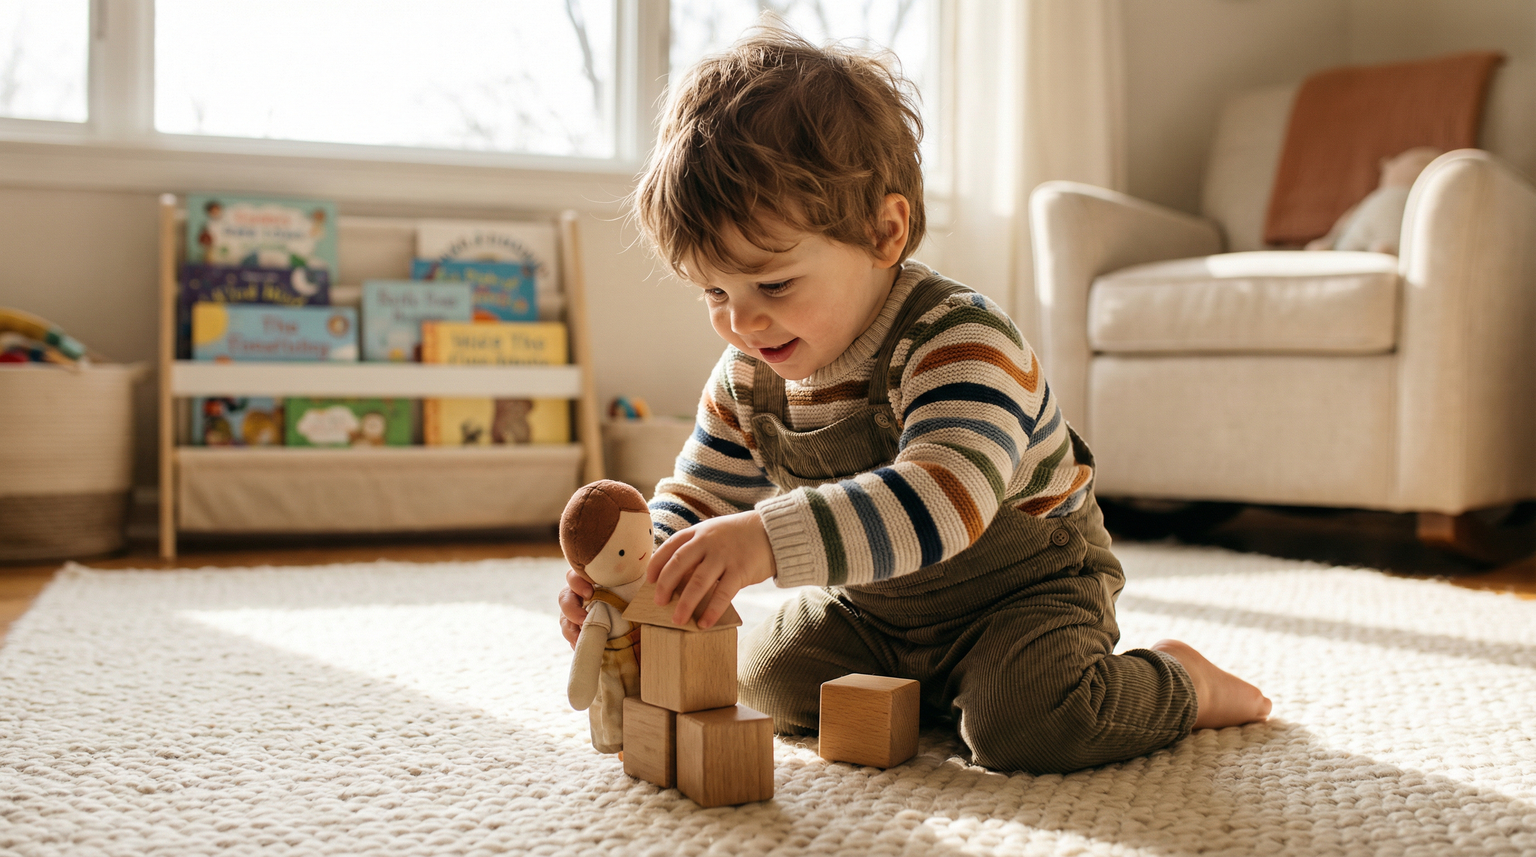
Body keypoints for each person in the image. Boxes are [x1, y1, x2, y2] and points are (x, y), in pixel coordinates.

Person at [558, 27, 1271, 774]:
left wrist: (764, 540)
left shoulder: (960, 339)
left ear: (883, 231)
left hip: (1023, 590)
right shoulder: (748, 374)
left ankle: (1181, 680)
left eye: (772, 285)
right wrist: (638, 574)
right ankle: (940, 687)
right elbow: (701, 493)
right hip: (876, 602)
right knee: (760, 680)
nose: (742, 320)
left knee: (1028, 725)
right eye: (714, 291)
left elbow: (945, 495)